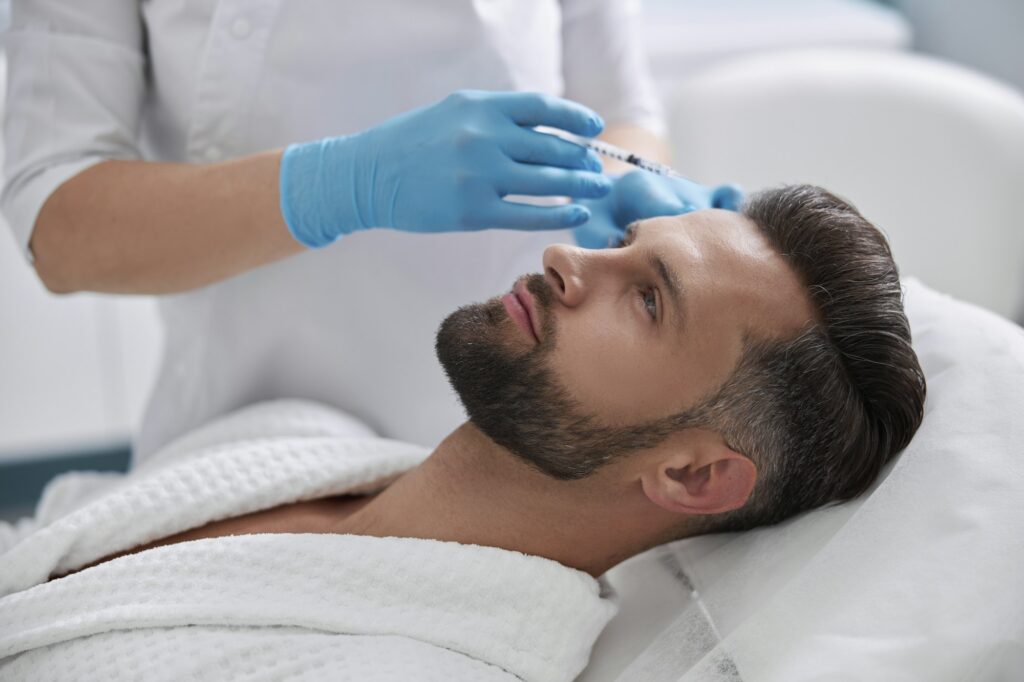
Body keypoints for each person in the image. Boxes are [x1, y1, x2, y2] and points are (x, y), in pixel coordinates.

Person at [0, 185, 926, 681]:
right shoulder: (293, 434)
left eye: (648, 298)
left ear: (693, 477)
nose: (570, 256)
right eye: (627, 240)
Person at [1, 1, 738, 468]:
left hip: (539, 439)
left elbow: (621, 107)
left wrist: (632, 196)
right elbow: (58, 223)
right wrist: (338, 182)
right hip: (244, 431)